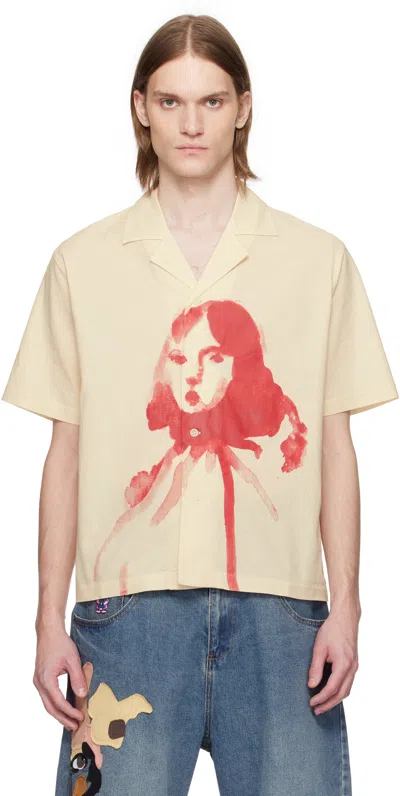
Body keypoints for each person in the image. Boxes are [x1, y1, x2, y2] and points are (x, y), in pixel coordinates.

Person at [2, 13, 398, 796]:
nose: (191, 124)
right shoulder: (81, 263)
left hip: (282, 616)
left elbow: (336, 444)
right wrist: (47, 619)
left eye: (211, 101)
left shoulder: (318, 260)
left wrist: (348, 608)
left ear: (243, 107)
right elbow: (64, 451)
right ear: (141, 108)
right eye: (172, 101)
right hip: (125, 617)